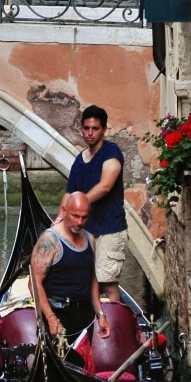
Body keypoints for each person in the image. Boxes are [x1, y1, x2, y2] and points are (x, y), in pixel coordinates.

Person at [55, 104, 127, 304]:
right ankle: (92, 318)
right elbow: (70, 192)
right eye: (86, 128)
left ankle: (115, 321)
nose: (90, 133)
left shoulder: (111, 153)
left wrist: (79, 205)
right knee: (87, 281)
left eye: (95, 128)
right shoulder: (80, 159)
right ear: (82, 129)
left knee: (107, 283)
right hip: (87, 232)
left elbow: (105, 186)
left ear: (104, 130)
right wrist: (60, 219)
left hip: (110, 230)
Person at [30, 192, 110, 343]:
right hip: (58, 314)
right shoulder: (49, 240)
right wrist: (51, 318)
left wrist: (100, 314)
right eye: (75, 216)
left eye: (84, 217)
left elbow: (92, 279)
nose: (80, 222)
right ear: (64, 211)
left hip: (85, 316)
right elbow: (34, 284)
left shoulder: (90, 239)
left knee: (82, 357)